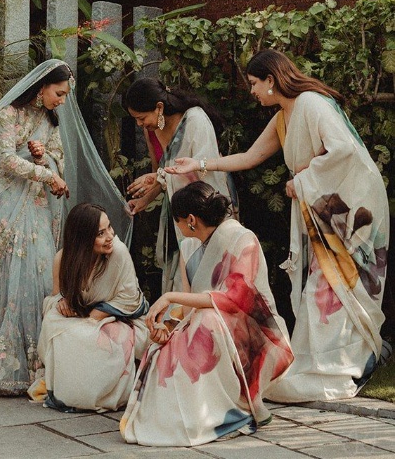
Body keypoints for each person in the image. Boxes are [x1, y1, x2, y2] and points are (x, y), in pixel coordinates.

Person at [169, 49, 390, 402]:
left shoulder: (312, 105)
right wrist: (198, 162)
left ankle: (352, 359)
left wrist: (301, 181)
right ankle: (321, 361)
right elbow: (250, 157)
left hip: (351, 211)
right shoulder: (284, 117)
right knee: (320, 289)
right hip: (322, 213)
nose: (253, 91)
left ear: (271, 79)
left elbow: (344, 151)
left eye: (255, 84)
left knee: (338, 288)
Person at [0, 59, 131, 396]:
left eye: (65, 96)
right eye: (59, 93)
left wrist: (43, 159)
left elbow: (58, 157)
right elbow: (5, 159)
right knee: (12, 280)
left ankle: (39, 364)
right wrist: (47, 173)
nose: (62, 101)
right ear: (41, 87)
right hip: (4, 204)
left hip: (34, 204)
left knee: (39, 276)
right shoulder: (9, 114)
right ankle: (5, 367)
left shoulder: (50, 121)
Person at [120, 182, 293, 447]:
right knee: (165, 347)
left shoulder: (243, 239)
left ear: (190, 220)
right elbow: (188, 309)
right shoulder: (188, 249)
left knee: (207, 321)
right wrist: (167, 326)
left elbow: (236, 299)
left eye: (177, 220)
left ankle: (224, 412)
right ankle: (182, 417)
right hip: (206, 323)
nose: (176, 226)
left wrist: (169, 296)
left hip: (249, 329)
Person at [28, 203, 148, 412]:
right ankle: (70, 391)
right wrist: (61, 302)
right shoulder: (63, 259)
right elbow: (54, 298)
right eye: (100, 233)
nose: (110, 236)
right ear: (82, 238)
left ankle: (100, 394)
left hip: (118, 317)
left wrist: (96, 316)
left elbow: (130, 298)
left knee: (100, 336)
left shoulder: (118, 252)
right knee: (53, 322)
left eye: (109, 228)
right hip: (81, 316)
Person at [124, 78, 236, 292]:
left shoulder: (195, 121)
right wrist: (144, 200)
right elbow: (166, 174)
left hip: (204, 210)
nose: (139, 124)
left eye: (141, 118)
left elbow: (206, 172)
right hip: (179, 215)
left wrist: (161, 176)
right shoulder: (154, 128)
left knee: (208, 278)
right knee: (181, 278)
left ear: (159, 107)